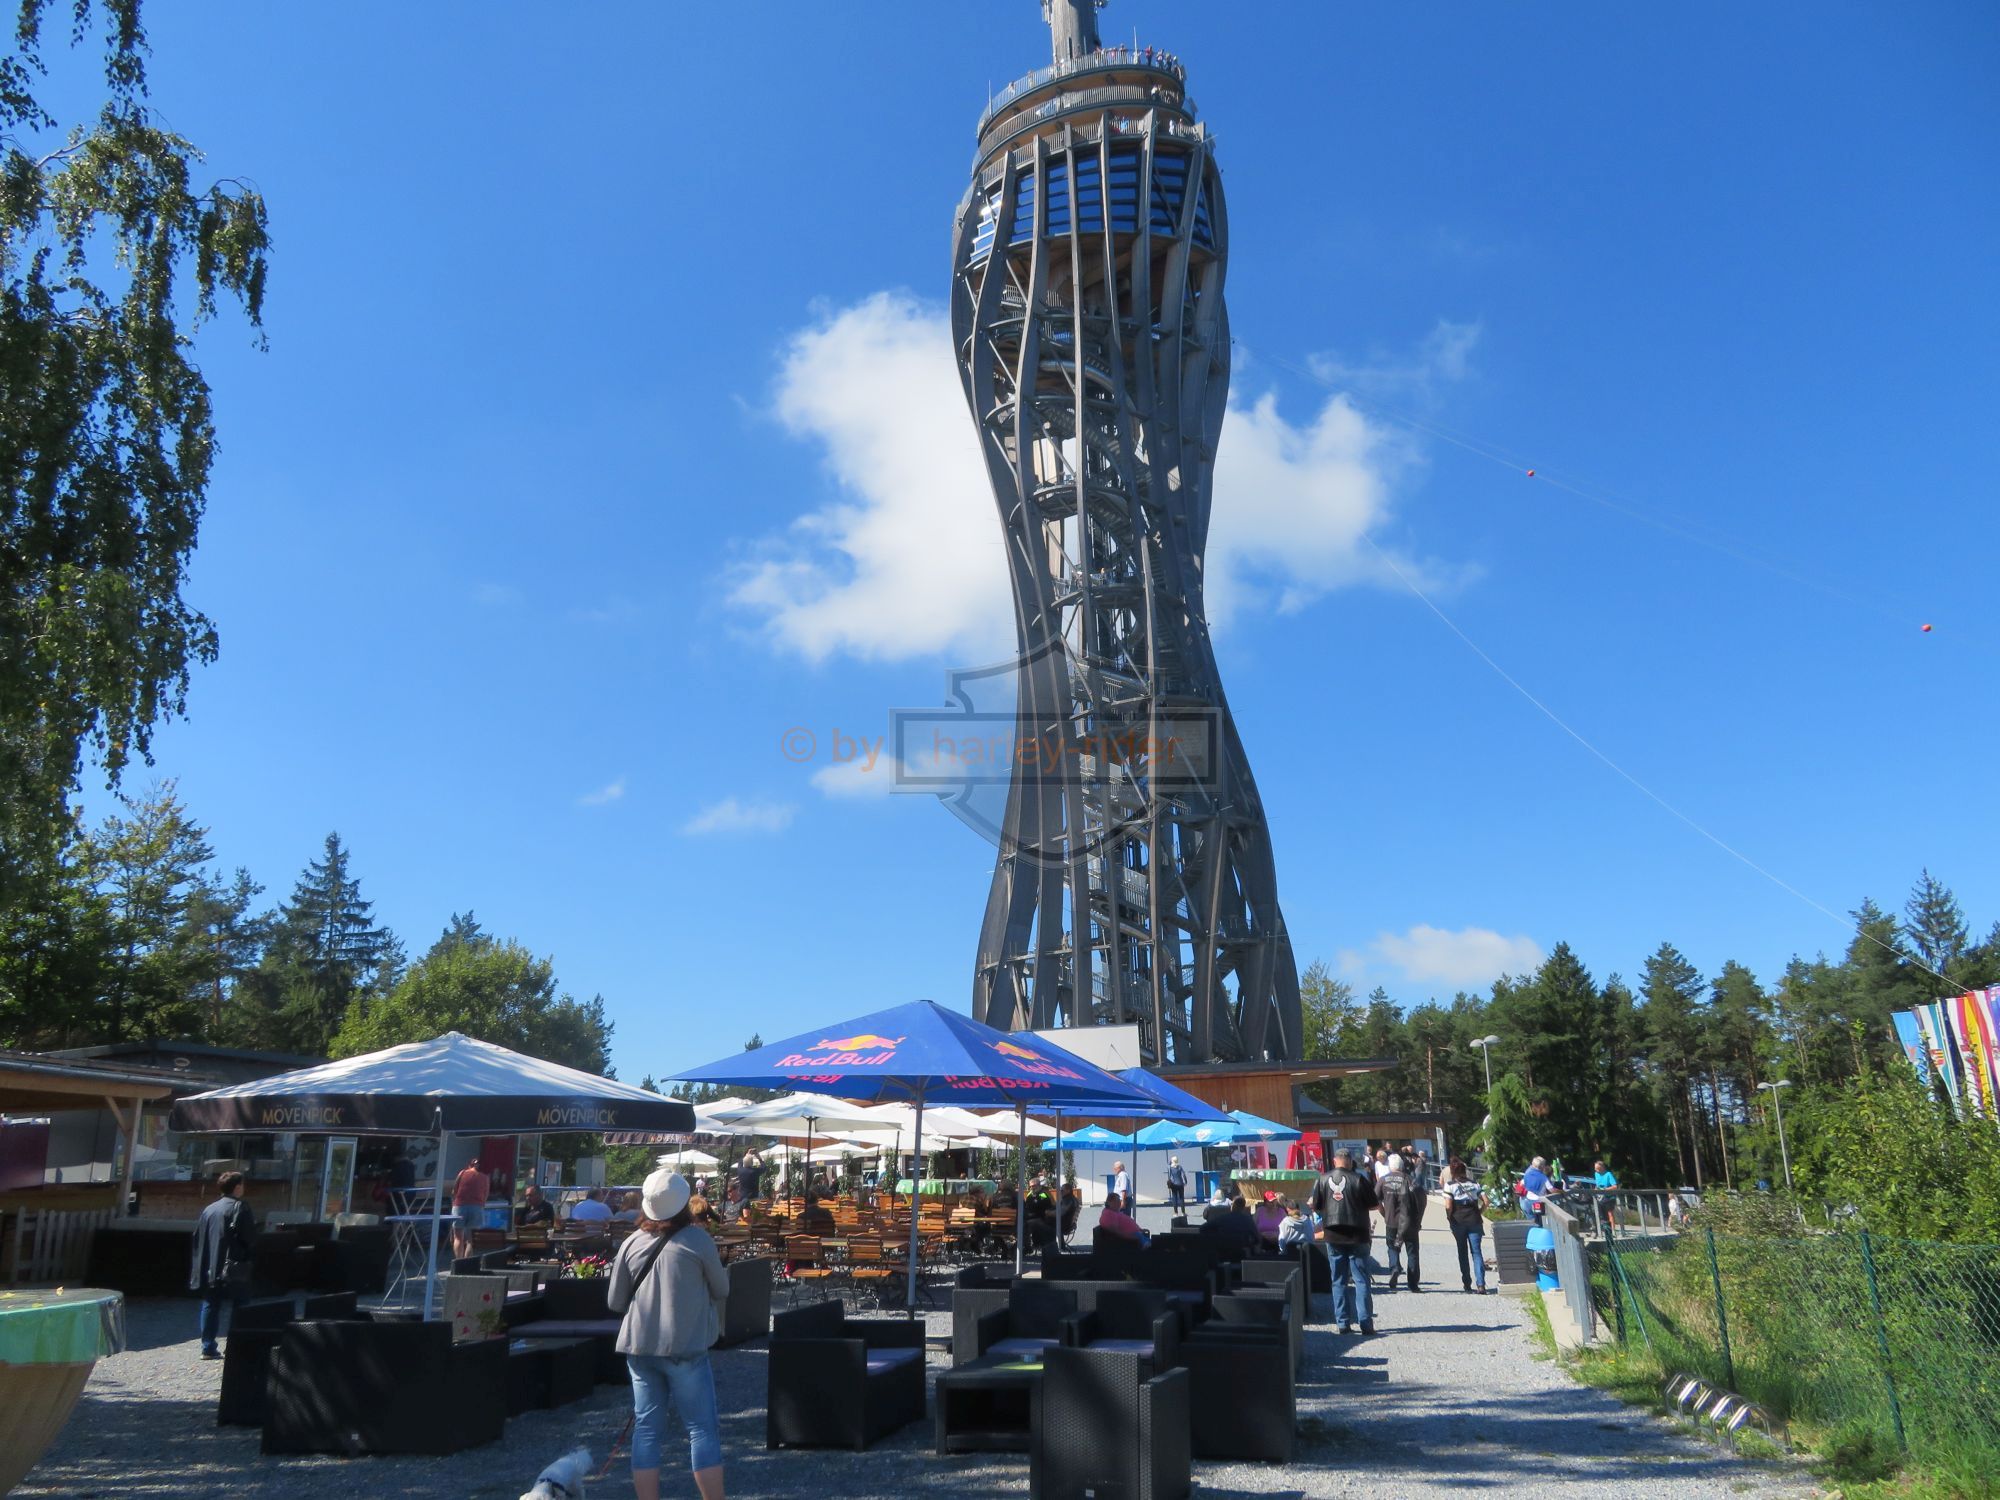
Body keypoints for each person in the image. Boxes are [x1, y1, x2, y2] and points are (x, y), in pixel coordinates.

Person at [609, 1169, 727, 1500]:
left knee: (647, 1430)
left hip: (640, 1347)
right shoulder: (698, 1240)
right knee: (701, 1429)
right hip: (684, 1346)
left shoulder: (631, 1242)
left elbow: (615, 1301)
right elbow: (722, 1288)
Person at [189, 1170, 256, 1360]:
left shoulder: (209, 1209)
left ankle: (207, 1347)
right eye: (242, 1184)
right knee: (241, 1304)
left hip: (211, 1265)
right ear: (237, 1187)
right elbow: (249, 1237)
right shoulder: (240, 1207)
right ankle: (235, 1344)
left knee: (210, 1305)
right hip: (234, 1265)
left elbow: (198, 1237)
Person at [1311, 1146, 1378, 1336]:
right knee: (1361, 1280)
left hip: (1333, 1234)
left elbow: (1316, 1206)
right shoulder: (1359, 1179)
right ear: (1350, 1162)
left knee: (1338, 1280)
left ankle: (1343, 1323)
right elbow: (1374, 1204)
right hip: (1358, 1234)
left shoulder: (1323, 1179)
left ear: (1335, 1161)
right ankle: (1365, 1323)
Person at [1438, 1157, 1488, 1292]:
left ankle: (1467, 1282)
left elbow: (1448, 1206)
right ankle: (1481, 1284)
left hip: (1458, 1220)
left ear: (1452, 1172)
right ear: (1465, 1171)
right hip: (1474, 1220)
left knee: (1462, 1251)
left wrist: (1449, 1218)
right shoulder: (1474, 1184)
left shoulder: (1450, 1185)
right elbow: (1486, 1201)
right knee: (1476, 1252)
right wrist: (1479, 1212)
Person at [1377, 1153, 1424, 1293]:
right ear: (1402, 1166)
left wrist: (1384, 1213)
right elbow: (1420, 1200)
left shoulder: (1383, 1180)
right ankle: (1413, 1283)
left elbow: (1375, 1200)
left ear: (1390, 1167)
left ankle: (1394, 1267)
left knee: (1392, 1247)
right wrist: (1418, 1220)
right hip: (1409, 1221)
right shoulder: (1409, 1179)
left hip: (1391, 1221)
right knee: (1412, 1252)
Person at [451, 1158, 490, 1259]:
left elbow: (454, 1191)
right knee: (471, 1240)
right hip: (476, 1207)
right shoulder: (485, 1178)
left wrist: (454, 1203)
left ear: (469, 1166)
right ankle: (467, 1263)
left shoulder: (462, 1173)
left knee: (458, 1238)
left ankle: (459, 1262)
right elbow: (486, 1194)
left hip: (459, 1206)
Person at [1520, 1156, 1552, 1225]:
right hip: (1538, 1202)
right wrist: (1561, 1191)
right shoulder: (1542, 1177)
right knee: (1542, 1223)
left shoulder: (1528, 1174)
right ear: (1542, 1166)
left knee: (1532, 1223)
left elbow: (1521, 1184)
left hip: (1525, 1201)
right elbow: (1552, 1190)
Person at [1592, 1158, 1620, 1228]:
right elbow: (1597, 1185)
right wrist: (1595, 1189)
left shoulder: (1608, 1174)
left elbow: (1615, 1186)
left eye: (1597, 1168)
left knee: (1610, 1213)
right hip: (1600, 1197)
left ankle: (1613, 1229)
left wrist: (1605, 1189)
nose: (1596, 1170)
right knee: (1599, 1212)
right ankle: (1603, 1227)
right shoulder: (1596, 1174)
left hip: (1609, 1196)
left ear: (1602, 1167)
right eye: (1595, 1168)